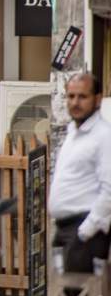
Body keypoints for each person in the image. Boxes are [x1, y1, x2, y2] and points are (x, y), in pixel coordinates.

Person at [47, 70, 111, 273]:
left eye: (82, 96)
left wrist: (86, 231)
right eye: (71, 96)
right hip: (65, 230)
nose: (75, 102)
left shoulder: (103, 136)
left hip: (84, 233)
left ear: (97, 99)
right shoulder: (73, 132)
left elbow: (109, 189)